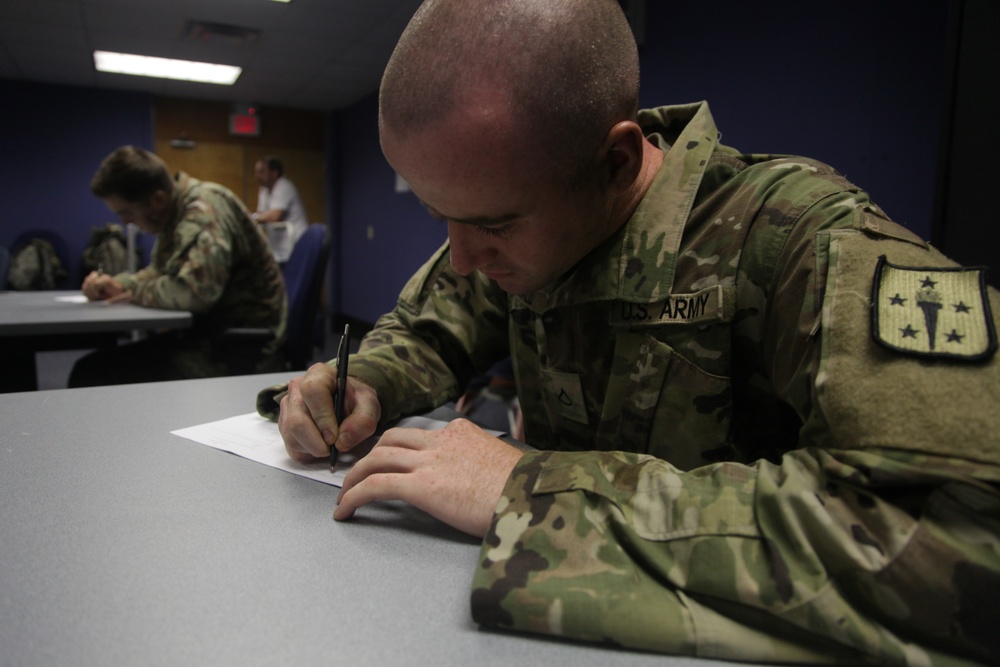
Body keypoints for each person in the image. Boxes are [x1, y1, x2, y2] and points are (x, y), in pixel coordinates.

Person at [259, 1, 1000, 664]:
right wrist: (366, 379)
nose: (462, 257)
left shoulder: (802, 240)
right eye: (436, 214)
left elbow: (965, 538)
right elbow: (430, 326)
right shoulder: (521, 217)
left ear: (615, 162)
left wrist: (532, 490)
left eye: (491, 223)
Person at [71, 146, 287, 386]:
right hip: (211, 334)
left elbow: (193, 292)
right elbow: (161, 272)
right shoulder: (174, 213)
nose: (125, 222)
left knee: (91, 373)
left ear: (158, 200)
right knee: (97, 367)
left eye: (126, 212)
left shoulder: (203, 211)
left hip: (238, 350)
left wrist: (132, 293)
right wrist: (117, 284)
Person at [253, 155, 309, 262]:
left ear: (274, 173)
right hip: (279, 250)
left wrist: (253, 217)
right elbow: (260, 215)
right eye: (256, 172)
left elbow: (274, 216)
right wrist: (256, 217)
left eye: (262, 171)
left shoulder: (284, 186)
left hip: (295, 246)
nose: (257, 175)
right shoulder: (263, 190)